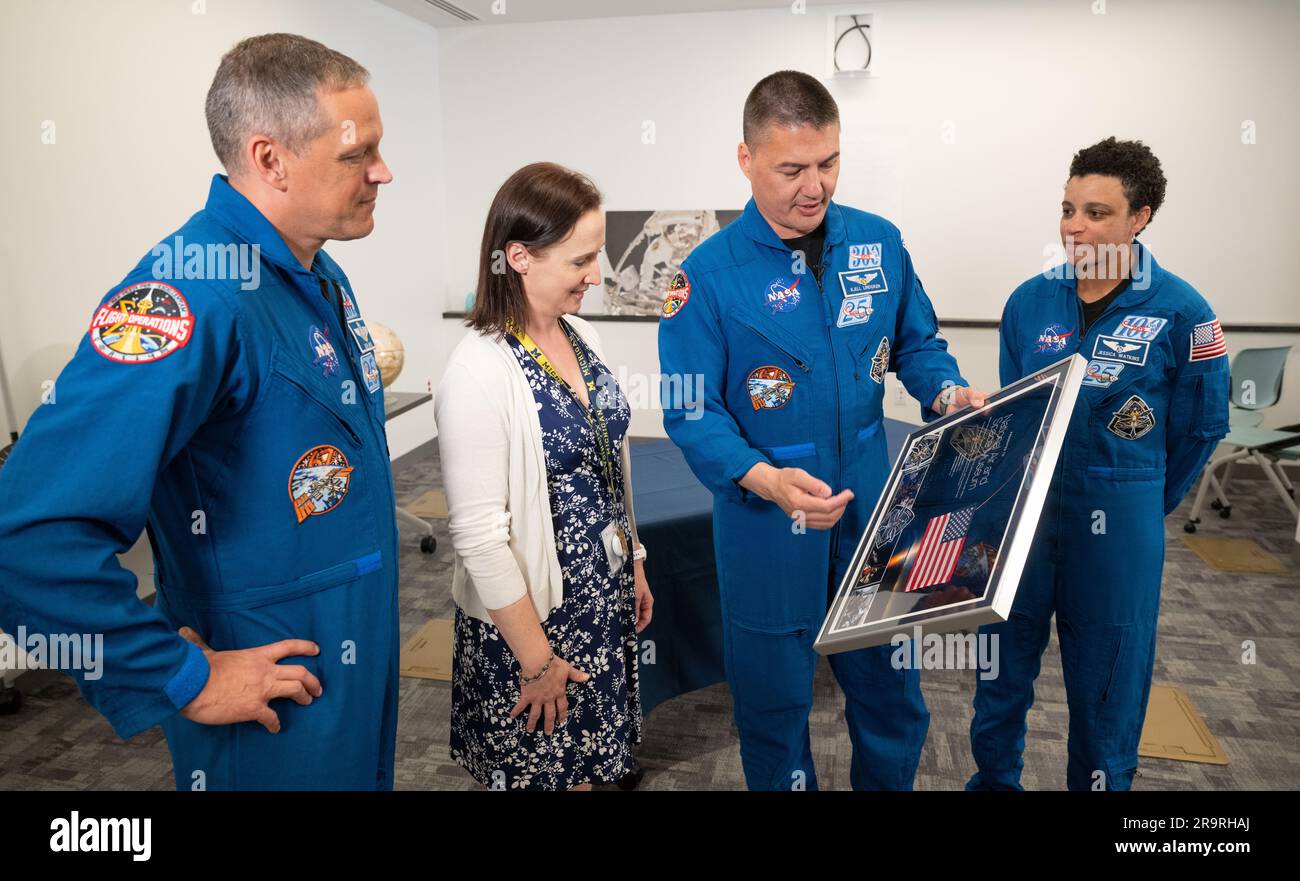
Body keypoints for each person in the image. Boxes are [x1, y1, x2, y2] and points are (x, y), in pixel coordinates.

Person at [0, 33, 398, 790]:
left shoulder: (314, 270)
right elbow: (25, 536)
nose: (383, 171)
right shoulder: (187, 300)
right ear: (270, 158)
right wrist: (181, 675)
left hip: (348, 656)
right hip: (269, 689)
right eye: (357, 154)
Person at [658, 71, 984, 791]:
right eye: (792, 169)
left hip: (874, 505)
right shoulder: (704, 277)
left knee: (893, 693)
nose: (816, 186)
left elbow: (917, 343)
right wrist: (763, 478)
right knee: (774, 703)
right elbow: (690, 409)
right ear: (745, 160)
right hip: (767, 517)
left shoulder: (878, 241)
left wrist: (945, 390)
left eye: (829, 162)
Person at [968, 137, 1230, 791]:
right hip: (1025, 522)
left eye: (1096, 212)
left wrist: (1138, 498)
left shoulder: (1182, 312)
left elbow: (1202, 427)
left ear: (1139, 217)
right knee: (999, 674)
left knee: (1107, 686)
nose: (1073, 227)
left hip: (1119, 527)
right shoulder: (1029, 301)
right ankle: (995, 781)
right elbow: (1014, 407)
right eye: (1067, 208)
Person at [436, 162, 653, 791]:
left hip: (599, 601)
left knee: (583, 771)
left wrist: (632, 560)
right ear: (520, 258)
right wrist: (537, 664)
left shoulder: (580, 334)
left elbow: (612, 462)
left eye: (598, 255)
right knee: (542, 773)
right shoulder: (479, 368)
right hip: (534, 626)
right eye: (580, 260)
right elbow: (479, 537)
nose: (596, 275)